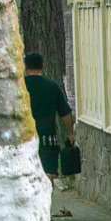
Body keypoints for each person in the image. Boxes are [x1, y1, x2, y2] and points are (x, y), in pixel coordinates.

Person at [24, 51, 77, 190]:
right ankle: (46, 203)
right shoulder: (52, 86)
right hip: (48, 138)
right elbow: (65, 113)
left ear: (25, 67)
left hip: (26, 138)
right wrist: (70, 134)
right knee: (48, 171)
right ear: (42, 66)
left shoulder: (21, 86)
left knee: (26, 173)